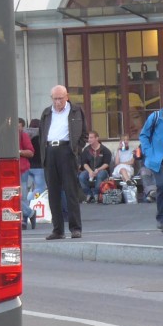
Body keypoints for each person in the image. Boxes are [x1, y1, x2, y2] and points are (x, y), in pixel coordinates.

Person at [39, 85, 85, 239]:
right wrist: (44, 153)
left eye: (60, 98)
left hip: (67, 151)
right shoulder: (47, 112)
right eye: (55, 99)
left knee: (71, 191)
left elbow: (84, 134)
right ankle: (58, 229)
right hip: (50, 151)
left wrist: (75, 149)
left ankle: (75, 228)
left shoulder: (76, 111)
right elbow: (41, 135)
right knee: (53, 193)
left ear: (67, 97)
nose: (58, 102)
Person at [139, 92, 163, 229]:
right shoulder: (155, 117)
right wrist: (148, 152)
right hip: (158, 160)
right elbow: (144, 135)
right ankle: (161, 217)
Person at [78, 131, 112, 202]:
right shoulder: (86, 150)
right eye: (88, 138)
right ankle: (89, 194)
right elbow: (84, 163)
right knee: (81, 176)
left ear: (97, 138)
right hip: (90, 170)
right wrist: (90, 171)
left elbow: (106, 163)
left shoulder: (105, 150)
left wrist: (98, 170)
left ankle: (96, 194)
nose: (89, 140)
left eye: (91, 138)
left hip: (102, 170)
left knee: (100, 175)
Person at [18, 118, 36, 229]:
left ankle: (24, 220)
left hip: (22, 169)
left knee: (22, 196)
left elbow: (31, 152)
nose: (17, 128)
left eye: (19, 126)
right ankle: (29, 214)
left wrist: (18, 151)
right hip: (15, 169)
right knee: (19, 197)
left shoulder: (23, 136)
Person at [27, 118, 46, 195]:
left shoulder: (27, 137)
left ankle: (27, 202)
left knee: (27, 187)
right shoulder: (41, 138)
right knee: (40, 188)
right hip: (39, 167)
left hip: (28, 167)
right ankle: (32, 198)